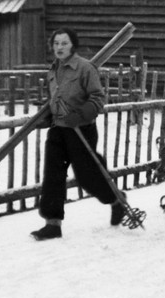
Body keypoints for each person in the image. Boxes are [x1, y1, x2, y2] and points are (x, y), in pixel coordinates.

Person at [30, 27, 124, 241]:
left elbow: (98, 98)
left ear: (73, 45)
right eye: (56, 43)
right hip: (58, 131)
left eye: (64, 43)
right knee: (53, 175)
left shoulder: (85, 68)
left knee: (88, 176)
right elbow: (55, 100)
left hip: (81, 130)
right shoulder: (53, 70)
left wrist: (81, 115)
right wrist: (47, 118)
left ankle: (116, 200)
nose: (59, 47)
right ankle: (52, 223)